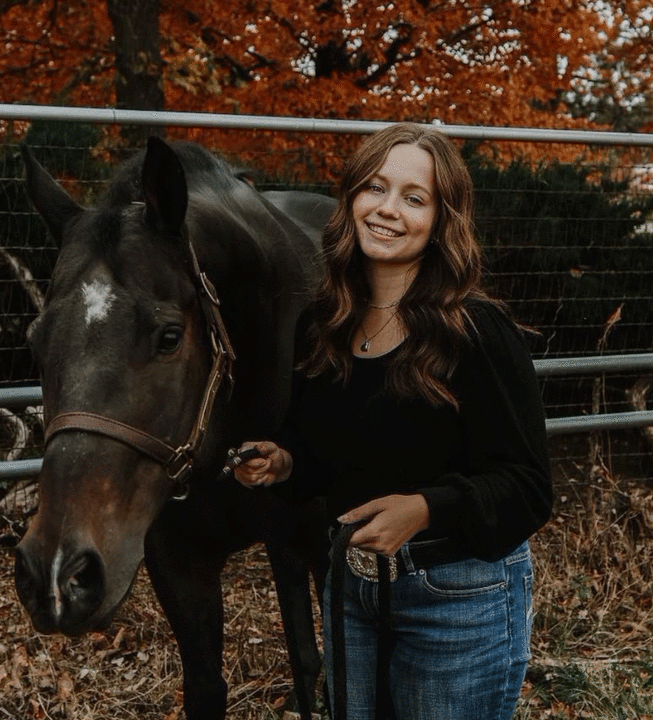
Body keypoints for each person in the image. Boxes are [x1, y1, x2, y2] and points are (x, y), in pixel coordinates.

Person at [233, 123, 552, 720]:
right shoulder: (324, 323)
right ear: (351, 197)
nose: (387, 210)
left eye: (413, 197)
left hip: (458, 595)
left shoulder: (475, 333)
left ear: (441, 220)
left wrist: (426, 508)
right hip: (351, 589)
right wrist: (284, 462)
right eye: (375, 188)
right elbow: (325, 454)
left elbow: (529, 488)